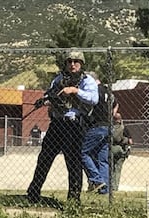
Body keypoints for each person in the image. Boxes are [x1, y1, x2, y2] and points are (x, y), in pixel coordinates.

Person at [27, 51, 99, 203]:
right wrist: (45, 101)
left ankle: (73, 199)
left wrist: (75, 90)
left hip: (74, 125)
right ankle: (33, 193)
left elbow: (94, 99)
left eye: (76, 61)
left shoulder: (87, 81)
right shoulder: (59, 79)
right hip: (57, 124)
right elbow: (51, 95)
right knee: (44, 159)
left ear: (81, 63)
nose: (72, 64)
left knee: (73, 162)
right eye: (69, 61)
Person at [81, 73, 117, 194]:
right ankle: (105, 188)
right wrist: (110, 116)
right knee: (103, 159)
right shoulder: (108, 90)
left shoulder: (95, 90)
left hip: (97, 126)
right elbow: (117, 104)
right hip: (108, 126)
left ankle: (96, 179)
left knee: (82, 152)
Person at [110, 112, 133, 192]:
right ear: (120, 119)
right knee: (118, 169)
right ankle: (115, 187)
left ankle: (109, 186)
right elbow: (130, 141)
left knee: (111, 168)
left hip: (111, 150)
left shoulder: (110, 128)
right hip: (121, 150)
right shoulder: (124, 128)